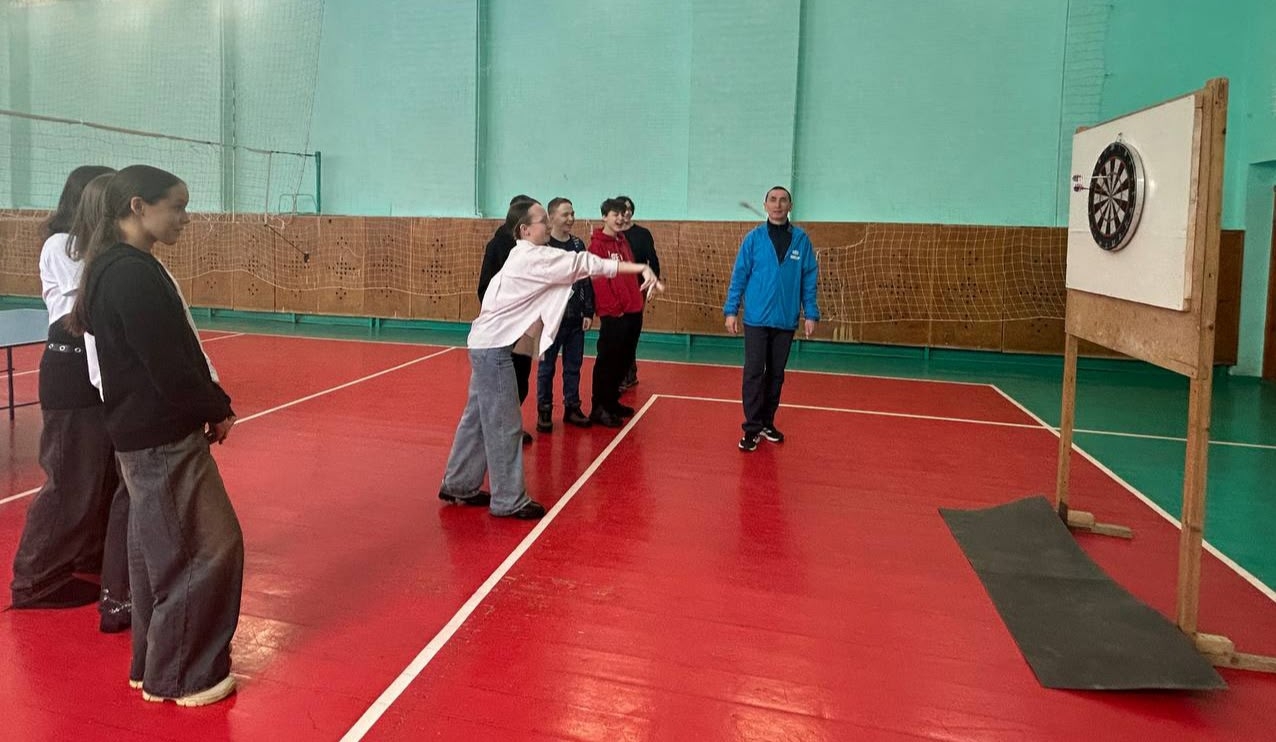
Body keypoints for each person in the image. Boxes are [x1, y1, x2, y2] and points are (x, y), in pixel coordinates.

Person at [68, 165, 242, 707]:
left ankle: (154, 664)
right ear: (138, 207)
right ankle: (185, 675)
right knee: (206, 550)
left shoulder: (121, 267)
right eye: (177, 206)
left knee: (155, 555)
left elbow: (172, 352)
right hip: (160, 438)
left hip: (146, 433)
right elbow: (167, 364)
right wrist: (214, 407)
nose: (185, 218)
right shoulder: (128, 274)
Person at [440, 200, 661, 519]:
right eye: (542, 220)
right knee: (505, 425)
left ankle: (458, 484)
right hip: (493, 349)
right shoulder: (532, 257)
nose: (547, 225)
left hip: (486, 345)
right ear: (525, 230)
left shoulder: (523, 254)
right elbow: (585, 263)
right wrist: (639, 268)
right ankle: (508, 500)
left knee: (475, 419)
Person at [9, 166, 132, 635]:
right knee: (70, 479)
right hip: (71, 367)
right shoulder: (62, 244)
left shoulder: (96, 247)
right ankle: (34, 580)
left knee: (99, 474)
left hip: (96, 365)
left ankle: (85, 555)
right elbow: (90, 299)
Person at [723, 186, 819, 452]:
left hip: (786, 320)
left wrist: (810, 313)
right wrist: (731, 310)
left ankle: (767, 422)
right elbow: (739, 276)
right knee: (754, 373)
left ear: (790, 206)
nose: (778, 205)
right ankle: (752, 428)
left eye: (783, 200)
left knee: (776, 375)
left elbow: (809, 279)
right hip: (756, 319)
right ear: (765, 205)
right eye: (773, 200)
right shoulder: (753, 239)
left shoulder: (801, 240)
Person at [479, 194, 537, 444]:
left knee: (520, 380)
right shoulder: (497, 246)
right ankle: (497, 431)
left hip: (526, 326)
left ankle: (510, 427)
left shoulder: (531, 246)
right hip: (503, 328)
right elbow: (485, 288)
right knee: (502, 382)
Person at [535, 197, 594, 432]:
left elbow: (585, 278)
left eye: (572, 214)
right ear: (551, 218)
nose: (571, 218)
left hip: (575, 319)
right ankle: (544, 410)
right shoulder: (543, 246)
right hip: (550, 320)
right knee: (546, 367)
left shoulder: (578, 245)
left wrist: (588, 310)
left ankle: (572, 407)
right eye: (565, 214)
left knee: (573, 365)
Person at [588, 198, 645, 428]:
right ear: (604, 217)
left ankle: (612, 402)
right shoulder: (597, 246)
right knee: (607, 361)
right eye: (615, 214)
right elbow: (600, 282)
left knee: (624, 360)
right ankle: (599, 407)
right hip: (615, 315)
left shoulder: (623, 242)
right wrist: (614, 309)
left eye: (623, 214)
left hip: (633, 310)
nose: (620, 218)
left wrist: (636, 303)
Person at [617, 195, 658, 392]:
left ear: (632, 212)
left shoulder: (642, 234)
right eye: (620, 209)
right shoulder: (612, 235)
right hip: (616, 290)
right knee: (617, 332)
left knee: (630, 330)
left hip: (636, 289)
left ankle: (628, 373)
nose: (624, 213)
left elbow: (653, 260)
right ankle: (625, 372)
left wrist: (653, 284)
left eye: (627, 209)